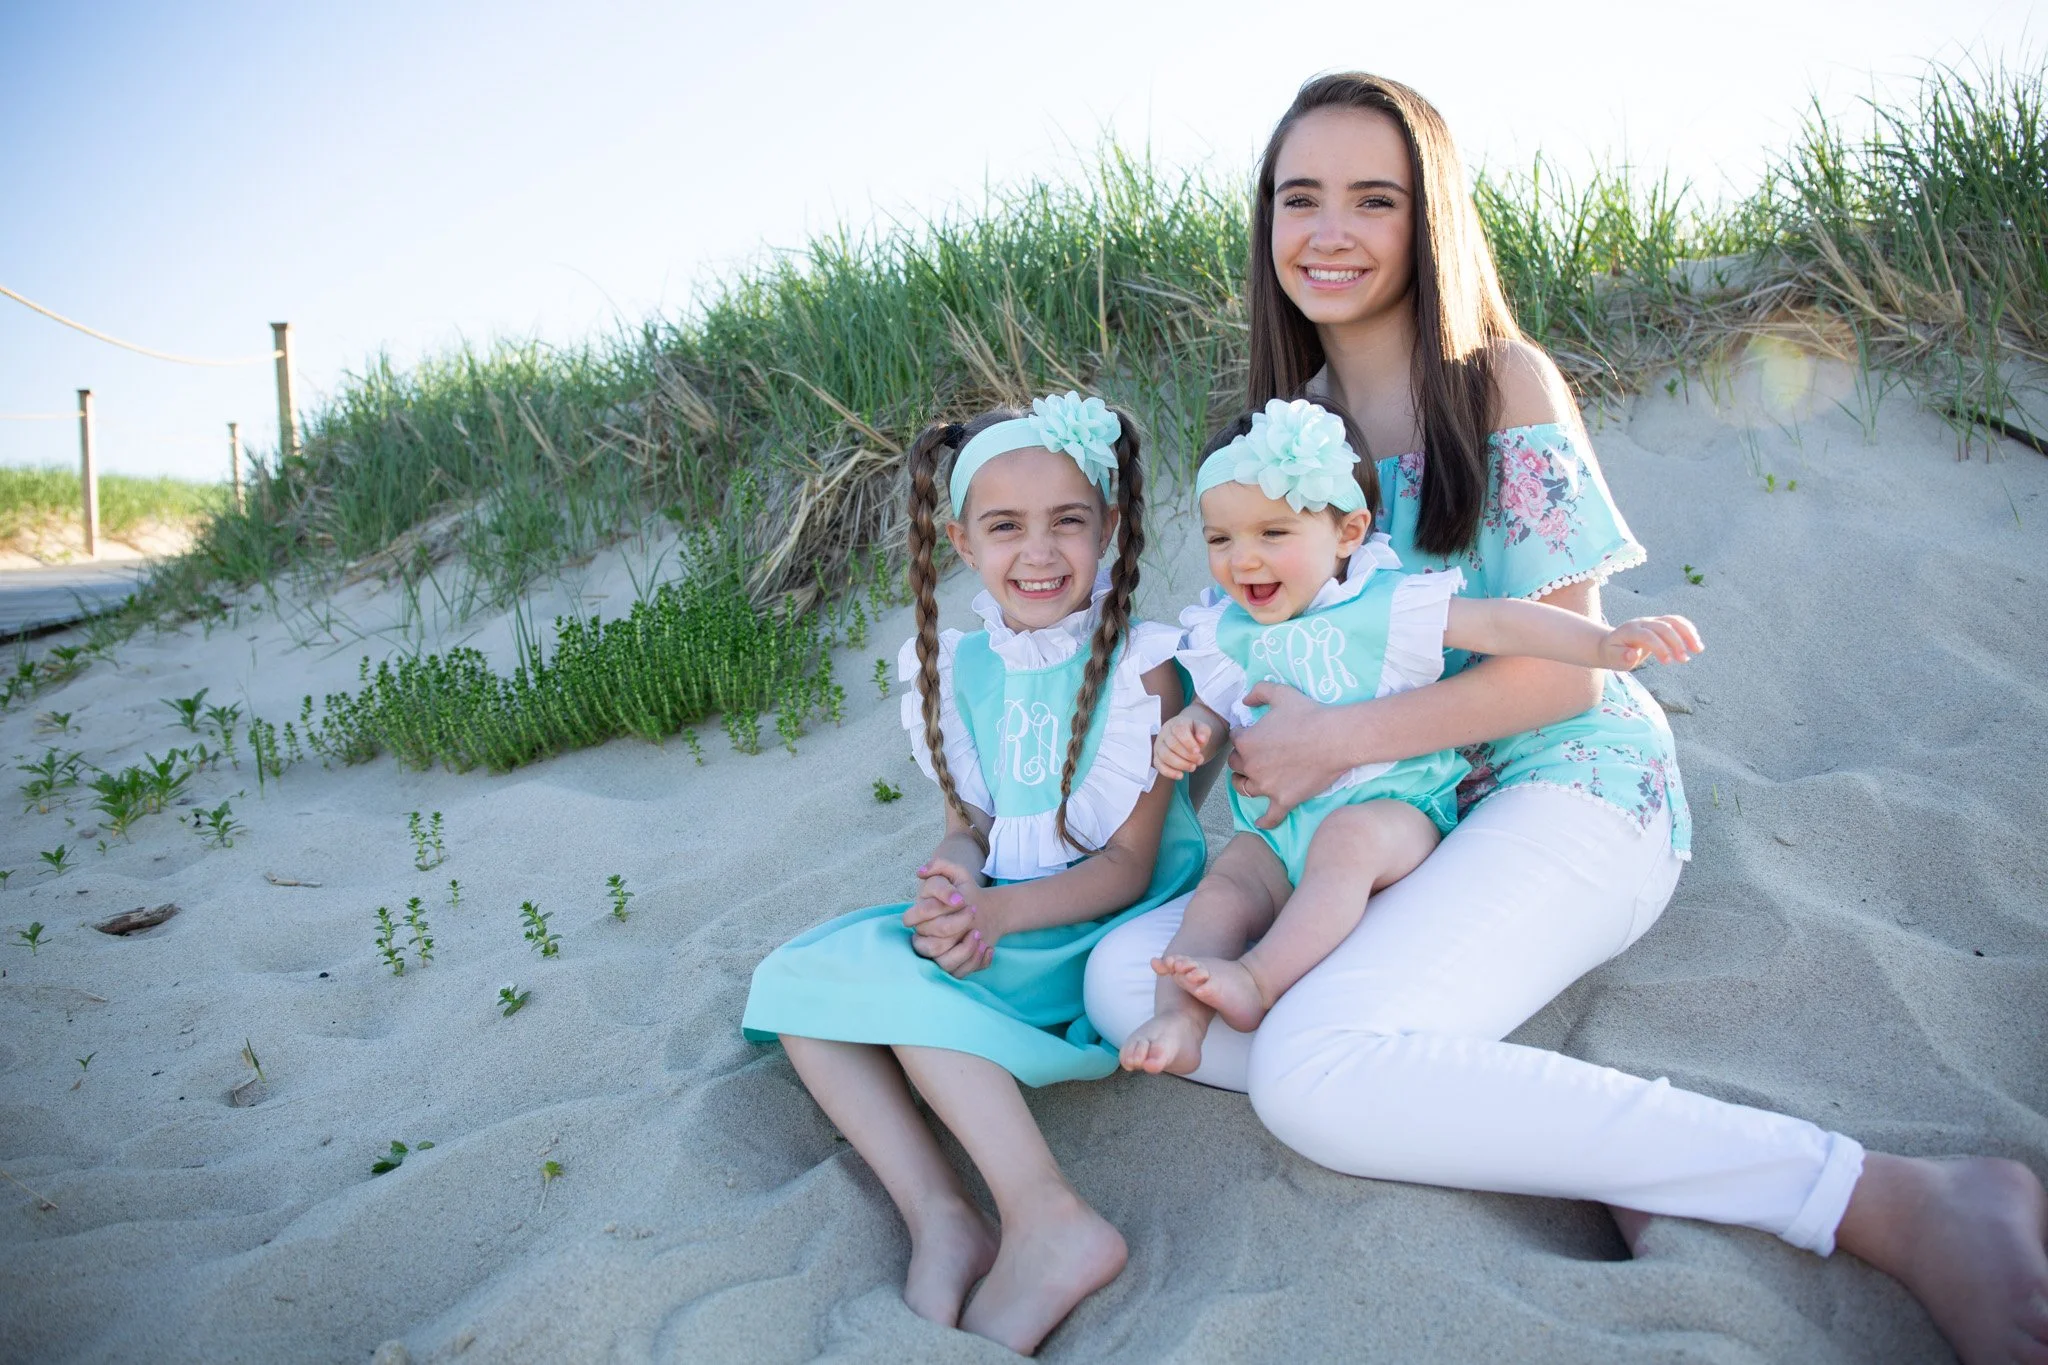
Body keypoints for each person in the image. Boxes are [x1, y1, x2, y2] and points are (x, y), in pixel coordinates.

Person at [1082, 73, 2047, 1364]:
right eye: (1298, 197)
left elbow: (1563, 675)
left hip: (1569, 786)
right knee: (1119, 983)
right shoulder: (1280, 443)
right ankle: (1564, 1128)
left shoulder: (1501, 382)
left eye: (1374, 199)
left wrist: (1336, 742)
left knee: (1314, 1069)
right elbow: (1261, 664)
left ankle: (1893, 1199)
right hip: (1379, 826)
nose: (1329, 230)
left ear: (1428, 220)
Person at [742, 392, 1205, 1355]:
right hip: (1003, 914)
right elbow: (971, 824)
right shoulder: (960, 670)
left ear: (1109, 527)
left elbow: (1127, 869)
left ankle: (1049, 1216)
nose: (1038, 553)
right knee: (799, 982)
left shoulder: (1145, 669)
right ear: (961, 540)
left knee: (919, 985)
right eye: (1005, 527)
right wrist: (955, 881)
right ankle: (940, 1214)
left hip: (1091, 924)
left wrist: (991, 914)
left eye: (1067, 521)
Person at [1123, 397, 1700, 1074]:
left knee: (1347, 843)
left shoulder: (1384, 604)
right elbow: (1220, 707)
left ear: (1347, 532)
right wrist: (1192, 729)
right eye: (1221, 539)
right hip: (1279, 830)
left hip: (1394, 810)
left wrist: (1600, 643)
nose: (1243, 561)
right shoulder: (1228, 630)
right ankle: (1178, 1017)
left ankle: (1258, 979)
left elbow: (1499, 625)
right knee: (1227, 885)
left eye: (1272, 534)